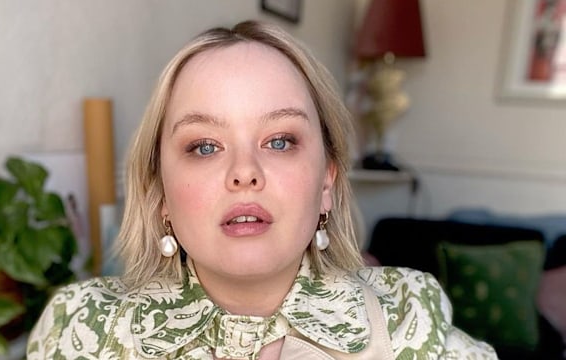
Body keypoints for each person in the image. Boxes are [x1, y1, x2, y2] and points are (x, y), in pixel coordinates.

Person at [26, 20, 497, 360]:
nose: (244, 172)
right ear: (160, 195)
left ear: (327, 182)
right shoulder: (77, 330)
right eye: (205, 146)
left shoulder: (412, 325)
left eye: (279, 141)